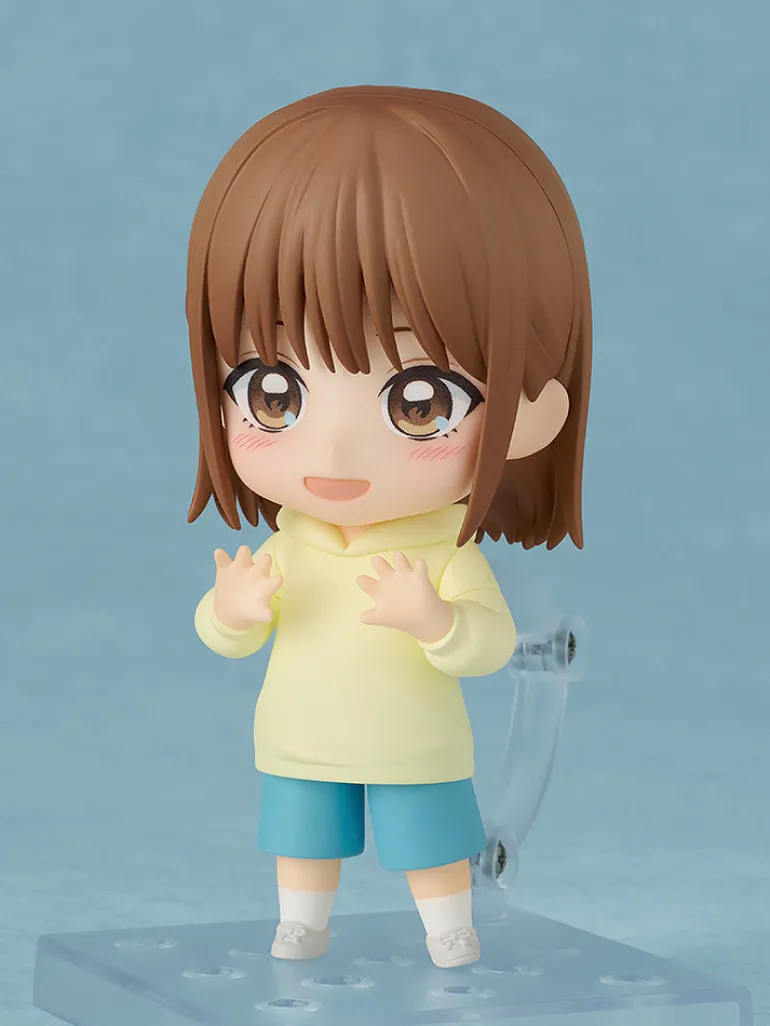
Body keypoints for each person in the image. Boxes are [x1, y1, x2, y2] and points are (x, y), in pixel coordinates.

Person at [185, 85, 592, 969]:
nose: (332, 449)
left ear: (531, 411)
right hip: (299, 736)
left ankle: (450, 928)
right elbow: (221, 636)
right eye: (273, 392)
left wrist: (438, 622)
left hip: (415, 744)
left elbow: (488, 644)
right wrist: (232, 609)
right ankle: (302, 922)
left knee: (430, 840)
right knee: (301, 837)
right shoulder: (290, 544)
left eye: (419, 401)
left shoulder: (441, 550)